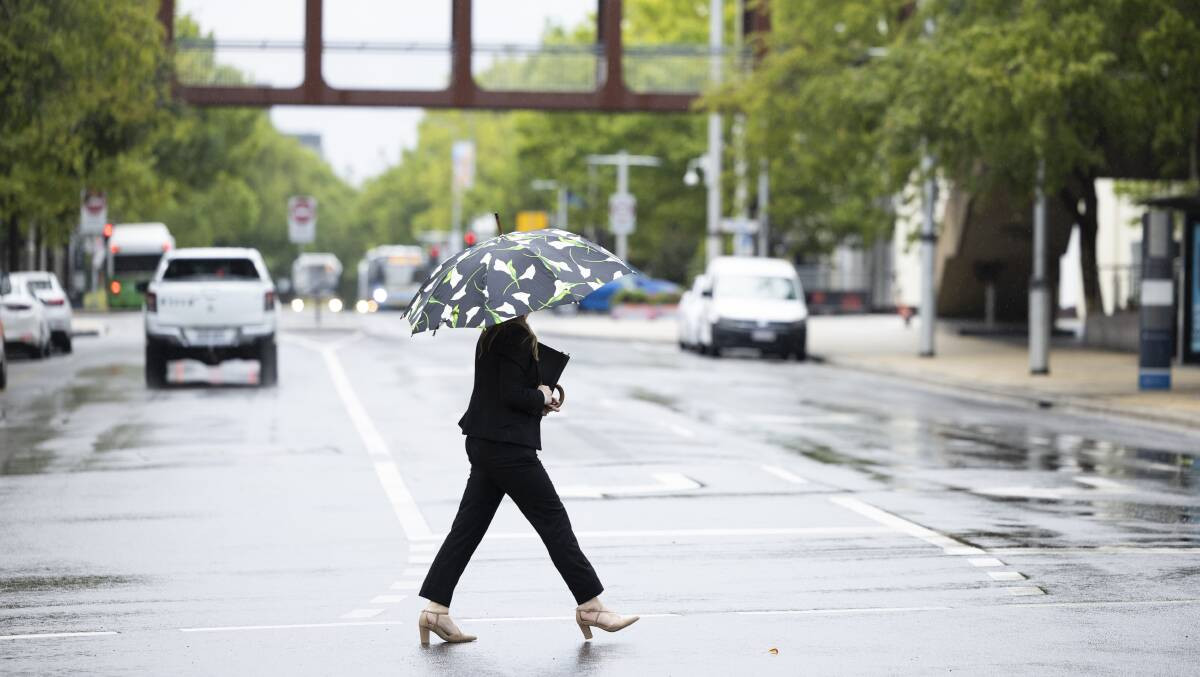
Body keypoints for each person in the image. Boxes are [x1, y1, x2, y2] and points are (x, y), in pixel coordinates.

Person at [417, 315, 639, 645]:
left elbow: (502, 393)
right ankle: (591, 605)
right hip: (509, 449)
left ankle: (435, 610)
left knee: (467, 529)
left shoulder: (491, 334)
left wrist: (540, 401)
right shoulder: (516, 336)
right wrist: (541, 396)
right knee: (553, 520)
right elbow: (512, 394)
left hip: (485, 440)